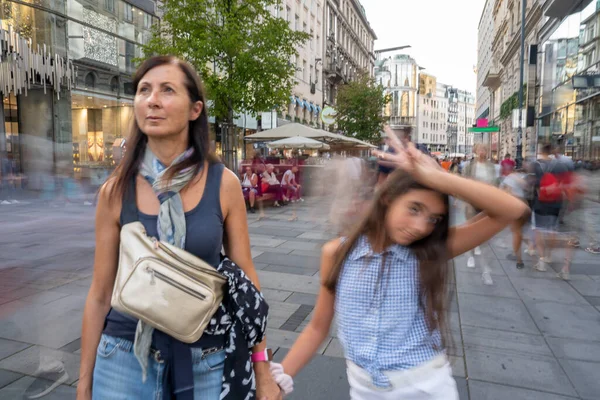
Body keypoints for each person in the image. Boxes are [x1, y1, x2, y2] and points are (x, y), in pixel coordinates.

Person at [77, 56, 281, 400]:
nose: (152, 100)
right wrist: (84, 383)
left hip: (207, 359)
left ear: (195, 109)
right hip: (124, 360)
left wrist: (262, 370)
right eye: (144, 90)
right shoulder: (116, 190)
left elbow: (247, 287)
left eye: (167, 90)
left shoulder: (223, 184)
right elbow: (99, 295)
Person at [269, 130, 529, 400]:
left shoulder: (427, 252)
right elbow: (317, 327)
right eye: (414, 209)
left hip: (424, 387)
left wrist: (439, 177)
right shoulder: (337, 252)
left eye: (433, 219)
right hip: (363, 388)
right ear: (386, 199)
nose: (421, 227)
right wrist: (281, 378)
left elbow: (513, 210)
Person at [462, 143, 498, 285]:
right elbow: (465, 180)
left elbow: (495, 182)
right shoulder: (470, 165)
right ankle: (470, 255)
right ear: (475, 151)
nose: (482, 152)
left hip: (486, 200)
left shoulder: (490, 166)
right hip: (472, 200)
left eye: (484, 149)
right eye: (480, 149)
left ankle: (477, 247)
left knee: (482, 227)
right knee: (471, 226)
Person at [531, 143, 569, 273]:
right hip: (556, 201)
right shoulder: (560, 165)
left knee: (539, 231)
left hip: (541, 201)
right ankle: (548, 255)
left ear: (541, 151)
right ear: (552, 151)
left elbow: (534, 184)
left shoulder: (537, 165)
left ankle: (541, 260)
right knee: (552, 230)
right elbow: (565, 183)